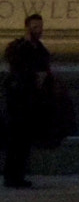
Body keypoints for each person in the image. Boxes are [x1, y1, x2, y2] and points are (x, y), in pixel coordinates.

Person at [4, 13, 52, 189]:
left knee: (24, 142)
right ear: (27, 28)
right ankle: (11, 176)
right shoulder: (18, 47)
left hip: (32, 101)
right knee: (15, 140)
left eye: (40, 26)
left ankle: (19, 175)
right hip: (18, 101)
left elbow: (45, 65)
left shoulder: (40, 49)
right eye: (34, 27)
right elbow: (16, 66)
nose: (38, 30)